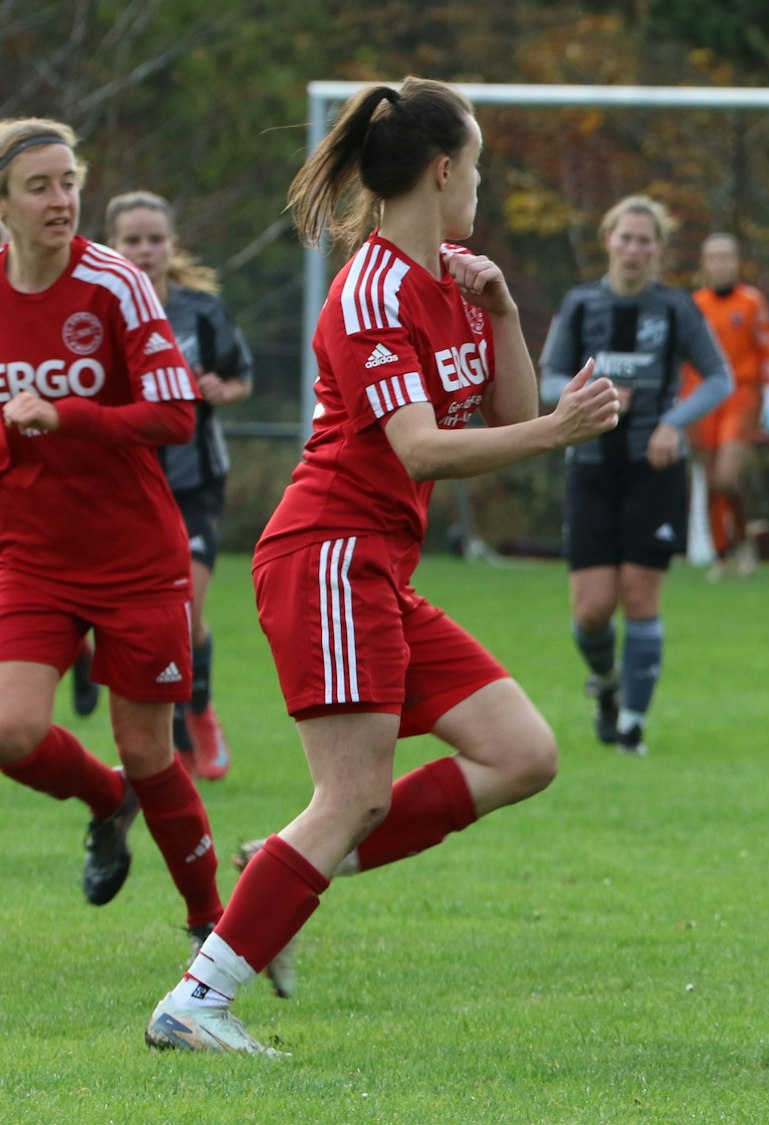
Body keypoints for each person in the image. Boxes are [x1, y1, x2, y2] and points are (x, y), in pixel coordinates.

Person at [146, 77, 622, 1055]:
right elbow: (423, 449)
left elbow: (506, 414)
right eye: (478, 167)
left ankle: (278, 872)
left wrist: (503, 316)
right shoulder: (370, 290)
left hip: (377, 569)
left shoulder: (453, 281)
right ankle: (196, 1000)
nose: (481, 186)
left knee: (521, 752)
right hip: (328, 555)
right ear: (443, 171)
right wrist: (557, 431)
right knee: (353, 795)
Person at [0, 117, 225, 956]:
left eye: (69, 183)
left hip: (135, 561)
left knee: (149, 752)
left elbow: (174, 413)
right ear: (4, 204)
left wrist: (67, 415)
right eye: (39, 187)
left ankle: (211, 925)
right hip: (33, 557)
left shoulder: (116, 284)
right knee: (10, 730)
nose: (60, 200)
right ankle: (106, 799)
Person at [540, 197, 733, 757]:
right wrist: (586, 397)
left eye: (644, 240)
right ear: (608, 239)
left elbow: (719, 379)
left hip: (655, 470)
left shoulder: (675, 308)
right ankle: (607, 684)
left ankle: (631, 727)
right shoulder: (580, 305)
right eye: (625, 238)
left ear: (658, 249)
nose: (633, 249)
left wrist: (673, 422)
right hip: (591, 469)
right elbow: (548, 380)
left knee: (641, 596)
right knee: (592, 610)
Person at [105, 190, 256, 781]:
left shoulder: (203, 313)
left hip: (195, 482)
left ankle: (200, 712)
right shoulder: (97, 314)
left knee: (186, 610)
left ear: (171, 245)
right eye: (131, 240)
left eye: (154, 239)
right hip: (125, 486)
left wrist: (222, 389)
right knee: (142, 620)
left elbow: (240, 377)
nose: (144, 250)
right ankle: (169, 741)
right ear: (112, 247)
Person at [681, 231, 769, 578]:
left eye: (727, 257)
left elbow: (767, 352)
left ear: (737, 262)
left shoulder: (751, 302)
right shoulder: (694, 305)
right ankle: (721, 556)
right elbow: (683, 359)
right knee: (711, 481)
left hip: (741, 396)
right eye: (714, 258)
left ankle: (742, 541)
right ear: (704, 264)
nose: (721, 264)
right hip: (702, 399)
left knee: (727, 478)